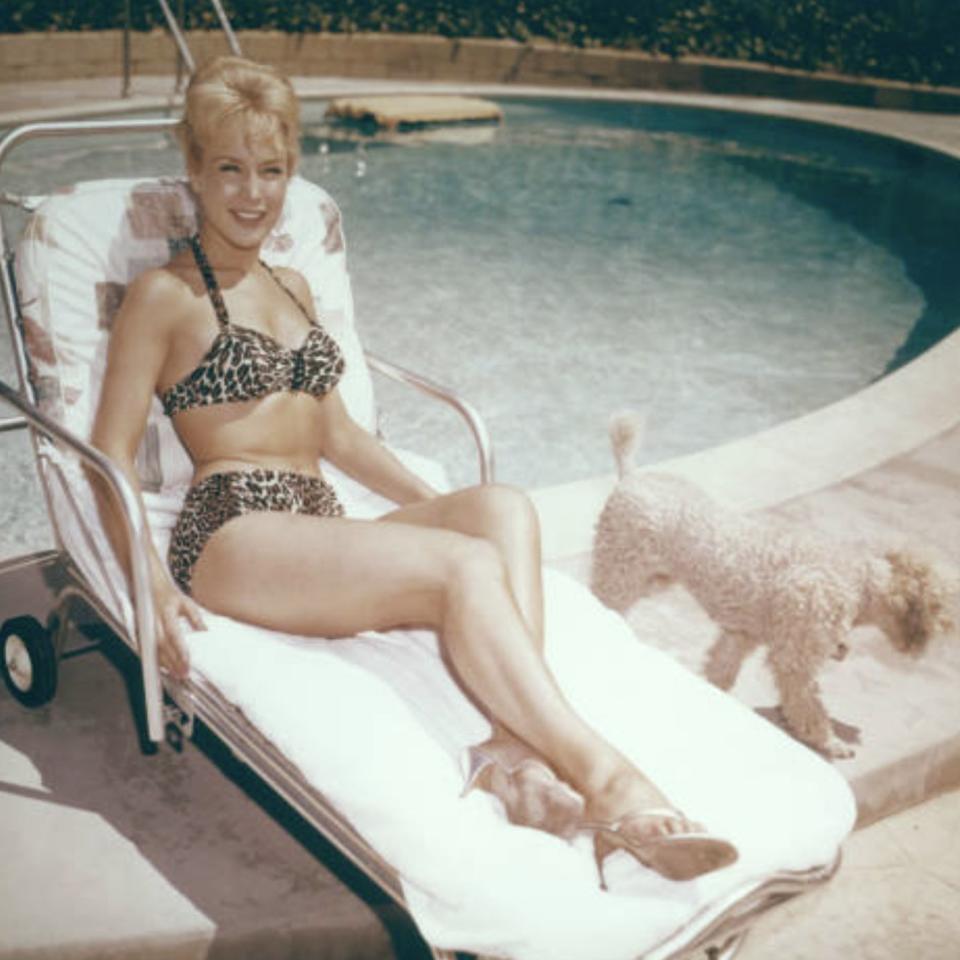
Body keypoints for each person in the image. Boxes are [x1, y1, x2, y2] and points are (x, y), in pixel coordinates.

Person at [90, 55, 737, 885]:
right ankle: (610, 782)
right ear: (194, 169)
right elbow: (109, 447)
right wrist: (150, 585)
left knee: (500, 511)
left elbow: (340, 437)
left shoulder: (292, 288)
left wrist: (450, 512)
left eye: (273, 170)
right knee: (463, 563)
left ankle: (512, 751)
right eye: (230, 169)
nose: (253, 193)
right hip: (232, 531)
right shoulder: (164, 296)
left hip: (314, 523)